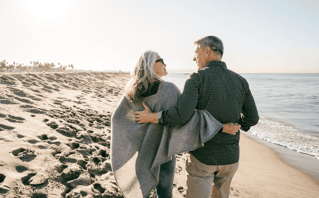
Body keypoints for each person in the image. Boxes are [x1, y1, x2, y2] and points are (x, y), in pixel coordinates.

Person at [135, 36, 259, 198]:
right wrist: (236, 125)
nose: (194, 57)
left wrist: (151, 117)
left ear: (207, 52)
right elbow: (253, 118)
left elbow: (181, 115)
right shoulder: (241, 81)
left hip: (203, 158)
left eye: (196, 53)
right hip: (230, 158)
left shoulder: (197, 78)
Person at [111, 50, 241, 198]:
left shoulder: (133, 90)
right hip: (163, 152)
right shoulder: (168, 90)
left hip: (142, 152)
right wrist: (222, 127)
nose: (165, 63)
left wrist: (136, 135)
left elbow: (118, 119)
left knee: (142, 192)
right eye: (161, 60)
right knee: (165, 193)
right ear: (151, 65)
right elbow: (188, 118)